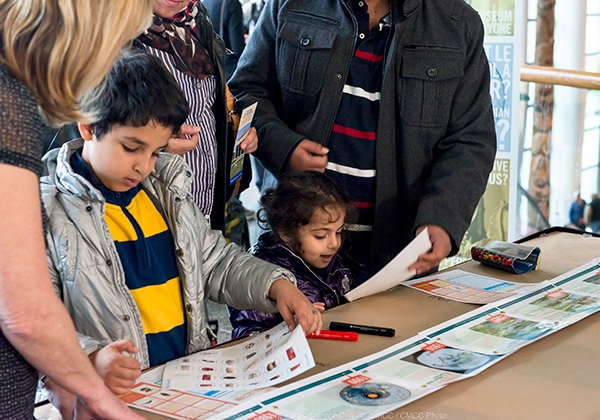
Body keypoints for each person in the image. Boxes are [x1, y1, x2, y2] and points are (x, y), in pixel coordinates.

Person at [40, 50, 321, 414]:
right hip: (107, 402)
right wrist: (91, 359)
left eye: (156, 152)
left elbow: (215, 261)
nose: (142, 166)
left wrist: (277, 285)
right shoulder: (48, 213)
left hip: (181, 388)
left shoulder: (166, 193)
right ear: (89, 126)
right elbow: (37, 320)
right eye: (131, 148)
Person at [229, 0, 497, 283]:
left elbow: (470, 140)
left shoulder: (457, 23)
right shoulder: (290, 4)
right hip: (292, 253)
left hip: (395, 264)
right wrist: (284, 149)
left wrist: (443, 217)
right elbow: (246, 91)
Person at [0, 1, 152, 418]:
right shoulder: (8, 104)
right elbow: (25, 312)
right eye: (118, 43)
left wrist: (66, 376)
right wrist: (102, 400)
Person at [137, 0, 257, 234]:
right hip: (153, 216)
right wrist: (153, 144)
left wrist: (235, 133)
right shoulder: (111, 37)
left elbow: (209, 109)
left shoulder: (195, 23)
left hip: (207, 207)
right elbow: (85, 135)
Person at [230, 171, 357, 339]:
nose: (334, 244)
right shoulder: (259, 272)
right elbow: (247, 336)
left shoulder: (333, 262)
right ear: (287, 232)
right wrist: (288, 326)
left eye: (339, 232)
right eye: (320, 235)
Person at [203, 0, 246, 79]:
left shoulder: (204, 3)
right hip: (230, 71)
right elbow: (238, 48)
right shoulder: (232, 3)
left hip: (210, 69)